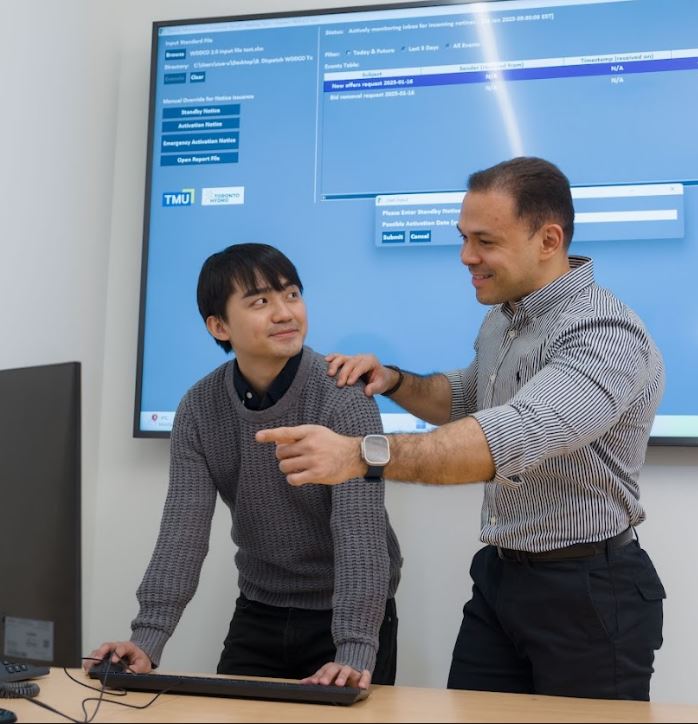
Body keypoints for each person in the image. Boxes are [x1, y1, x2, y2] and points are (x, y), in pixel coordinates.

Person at [256, 157, 666, 700]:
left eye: (484, 241)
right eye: (464, 238)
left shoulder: (603, 331)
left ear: (548, 240)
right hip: (502, 579)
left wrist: (361, 454)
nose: (466, 256)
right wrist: (395, 379)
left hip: (589, 591)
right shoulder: (504, 318)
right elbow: (468, 399)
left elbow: (508, 436)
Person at [86, 243, 402, 689]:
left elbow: (360, 534)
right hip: (260, 608)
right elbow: (183, 533)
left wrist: (353, 649)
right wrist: (148, 640)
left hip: (350, 615)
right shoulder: (198, 408)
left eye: (291, 295)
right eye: (260, 302)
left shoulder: (343, 395)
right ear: (219, 326)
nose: (285, 312)